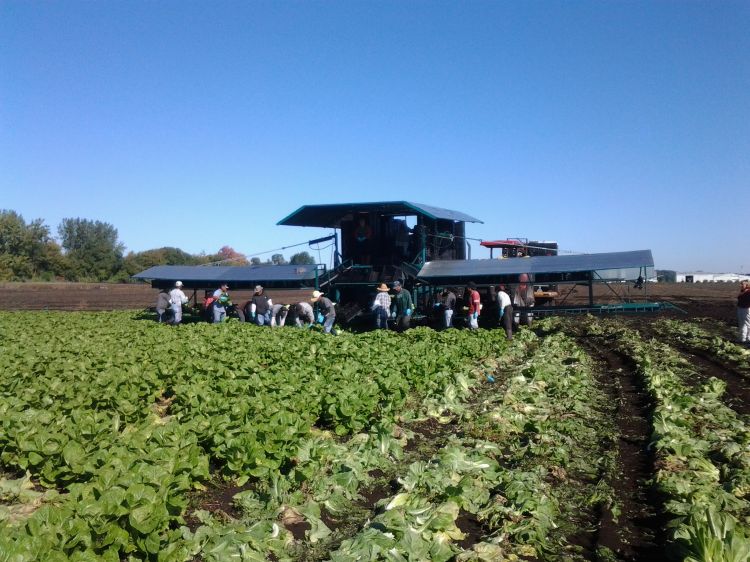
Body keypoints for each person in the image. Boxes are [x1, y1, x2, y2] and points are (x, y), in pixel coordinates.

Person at [737, 280, 750, 345]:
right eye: (740, 284)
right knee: (742, 323)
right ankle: (742, 338)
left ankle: (748, 339)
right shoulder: (742, 291)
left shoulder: (749, 292)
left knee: (747, 324)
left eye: (742, 284)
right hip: (740, 308)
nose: (740, 285)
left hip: (746, 309)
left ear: (747, 285)